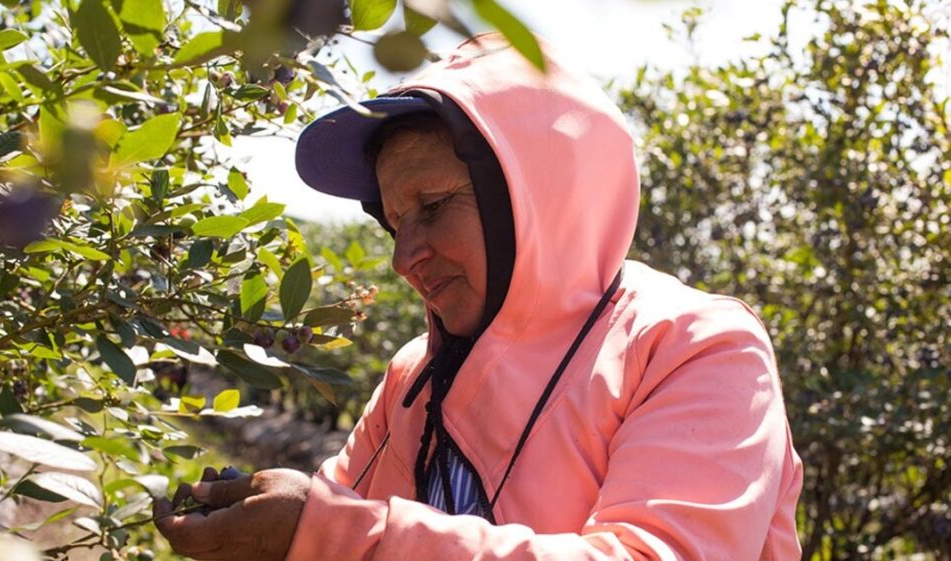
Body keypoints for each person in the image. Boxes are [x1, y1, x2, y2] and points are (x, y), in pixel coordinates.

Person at [154, 32, 804, 560]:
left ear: (536, 200)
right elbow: (334, 506)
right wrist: (262, 528)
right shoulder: (416, 372)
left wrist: (327, 534)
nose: (403, 258)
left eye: (433, 206)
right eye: (393, 222)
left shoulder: (694, 346)